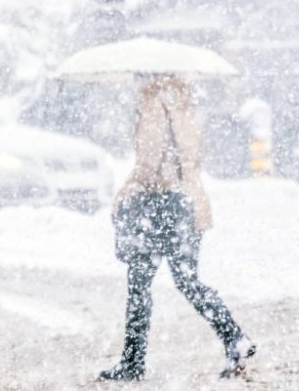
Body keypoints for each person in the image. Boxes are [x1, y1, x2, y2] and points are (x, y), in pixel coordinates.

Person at [98, 76, 255, 381]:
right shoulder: (184, 107)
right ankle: (234, 336)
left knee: (139, 284)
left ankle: (132, 362)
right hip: (189, 201)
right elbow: (191, 158)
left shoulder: (153, 105)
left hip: (159, 204)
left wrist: (127, 188)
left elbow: (149, 163)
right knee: (187, 280)